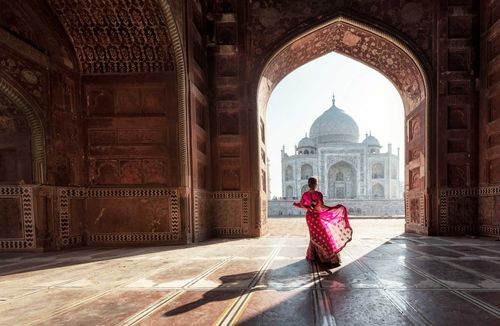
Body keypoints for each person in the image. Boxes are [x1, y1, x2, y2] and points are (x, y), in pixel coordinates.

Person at [293, 177, 352, 266]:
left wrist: (308, 207)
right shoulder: (318, 194)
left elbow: (302, 204)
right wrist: (333, 208)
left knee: (314, 235)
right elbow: (322, 206)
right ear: (316, 184)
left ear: (308, 184)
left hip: (309, 217)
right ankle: (328, 255)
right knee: (323, 234)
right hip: (316, 216)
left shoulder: (305, 194)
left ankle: (314, 255)